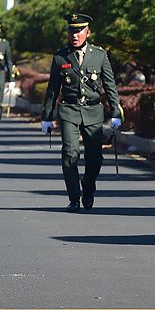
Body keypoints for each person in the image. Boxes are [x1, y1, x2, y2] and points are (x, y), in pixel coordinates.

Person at [41, 14, 122, 212]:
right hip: (69, 110)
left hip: (94, 111)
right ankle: (74, 197)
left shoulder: (99, 55)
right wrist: (47, 116)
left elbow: (110, 86)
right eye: (71, 31)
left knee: (95, 158)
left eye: (78, 31)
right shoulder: (61, 56)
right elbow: (52, 88)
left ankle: (87, 186)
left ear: (87, 32)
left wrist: (116, 112)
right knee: (70, 154)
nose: (74, 35)